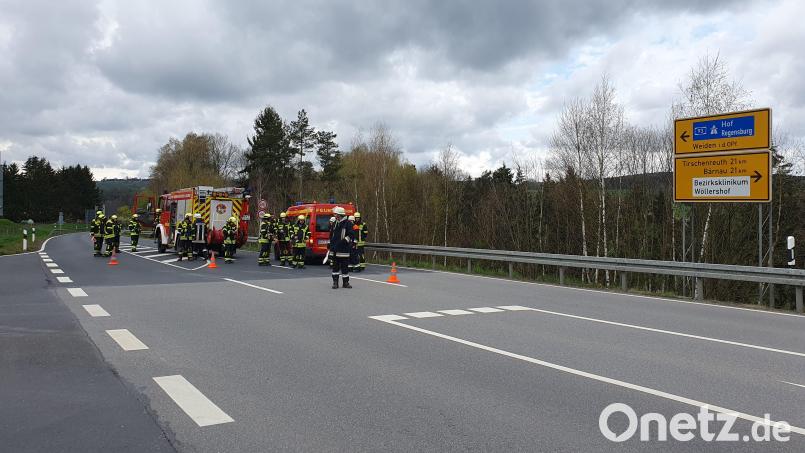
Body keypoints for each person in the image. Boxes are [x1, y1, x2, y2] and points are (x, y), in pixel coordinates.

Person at [329, 206, 354, 289]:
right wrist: (330, 243)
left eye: (336, 214)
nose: (335, 216)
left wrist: (344, 241)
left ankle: (345, 282)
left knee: (344, 267)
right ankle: (335, 282)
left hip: (344, 250)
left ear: (340, 215)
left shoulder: (348, 223)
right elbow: (331, 235)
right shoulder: (335, 223)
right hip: (334, 249)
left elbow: (351, 235)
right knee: (335, 267)